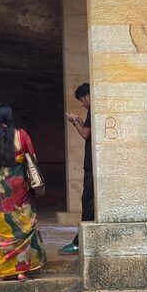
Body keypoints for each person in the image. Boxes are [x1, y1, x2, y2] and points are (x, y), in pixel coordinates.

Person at [0, 102, 47, 281]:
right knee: (22, 225)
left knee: (0, 228)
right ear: (10, 118)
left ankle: (3, 272)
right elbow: (32, 160)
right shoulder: (22, 135)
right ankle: (21, 271)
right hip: (19, 186)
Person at [62, 82, 95, 254]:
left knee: (88, 202)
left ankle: (80, 241)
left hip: (92, 164)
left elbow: (85, 134)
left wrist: (75, 122)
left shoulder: (93, 108)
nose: (83, 104)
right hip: (94, 163)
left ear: (87, 97)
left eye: (82, 100)